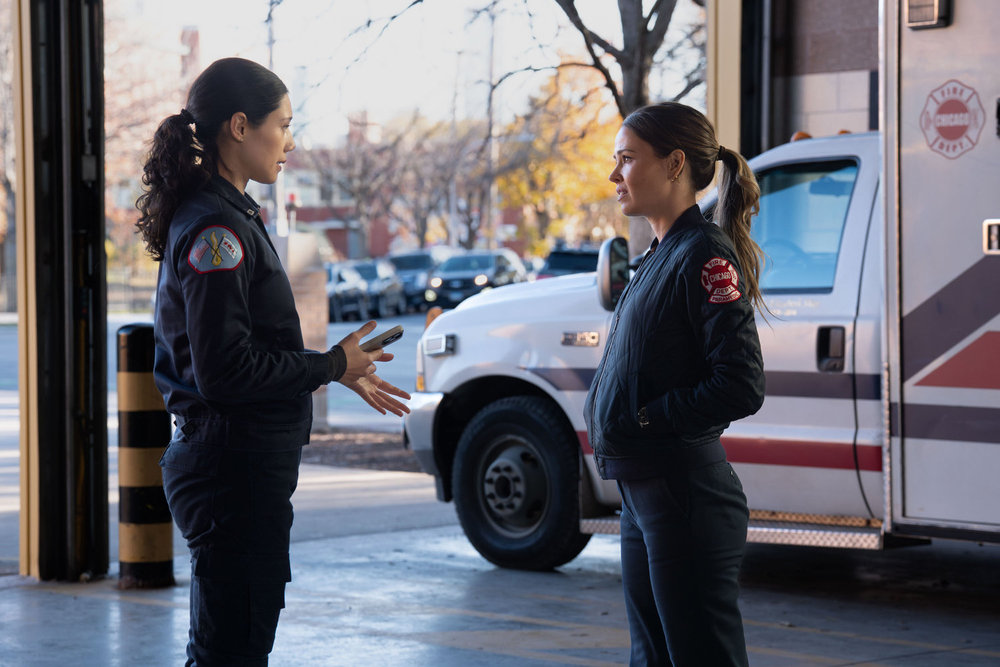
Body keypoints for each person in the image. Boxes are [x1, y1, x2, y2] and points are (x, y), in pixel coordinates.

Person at [135, 57, 410, 666]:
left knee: (230, 646)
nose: (290, 141)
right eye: (282, 125)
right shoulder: (216, 229)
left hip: (234, 468)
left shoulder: (227, 215)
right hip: (231, 471)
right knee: (229, 653)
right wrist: (328, 366)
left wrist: (339, 366)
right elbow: (226, 370)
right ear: (239, 126)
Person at [584, 102, 766, 666]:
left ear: (674, 164)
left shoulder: (704, 255)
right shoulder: (661, 254)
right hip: (646, 496)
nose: (615, 175)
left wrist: (646, 420)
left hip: (684, 495)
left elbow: (740, 383)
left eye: (628, 159)